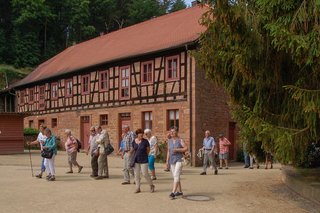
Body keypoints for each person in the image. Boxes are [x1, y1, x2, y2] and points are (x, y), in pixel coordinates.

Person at [132, 128, 155, 193]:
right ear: (137, 135)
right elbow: (133, 149)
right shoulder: (134, 141)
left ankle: (151, 185)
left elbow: (148, 149)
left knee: (145, 174)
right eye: (140, 134)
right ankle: (138, 188)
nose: (141, 135)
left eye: (142, 134)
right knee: (136, 174)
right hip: (136, 160)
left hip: (144, 160)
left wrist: (146, 155)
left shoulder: (145, 141)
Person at [167, 127, 188, 199]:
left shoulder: (180, 140)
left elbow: (186, 148)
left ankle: (173, 192)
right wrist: (167, 161)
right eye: (171, 131)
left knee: (176, 175)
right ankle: (180, 191)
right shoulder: (169, 141)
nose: (172, 133)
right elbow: (168, 151)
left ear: (176, 132)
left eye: (173, 131)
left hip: (179, 159)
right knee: (175, 176)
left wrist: (177, 150)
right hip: (172, 160)